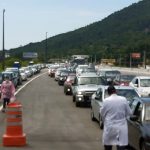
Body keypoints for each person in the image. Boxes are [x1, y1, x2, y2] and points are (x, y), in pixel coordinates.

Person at [100, 85, 132, 150]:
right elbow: (130, 113)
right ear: (116, 91)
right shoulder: (123, 99)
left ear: (108, 93)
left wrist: (104, 121)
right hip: (121, 127)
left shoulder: (106, 101)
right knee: (121, 146)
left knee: (108, 146)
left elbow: (102, 113)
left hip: (110, 127)